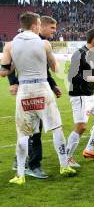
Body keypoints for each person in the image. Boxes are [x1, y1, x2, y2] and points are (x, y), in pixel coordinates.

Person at [0, 12, 76, 185]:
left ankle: (20, 175)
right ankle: (64, 165)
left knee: (23, 134)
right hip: (42, 88)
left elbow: (4, 72)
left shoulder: (9, 45)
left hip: (24, 91)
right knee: (56, 128)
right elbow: (55, 68)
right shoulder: (44, 44)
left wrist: (15, 65)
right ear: (35, 25)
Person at [8, 16, 62, 179]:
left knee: (32, 129)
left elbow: (44, 70)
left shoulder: (42, 43)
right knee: (33, 130)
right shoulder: (27, 41)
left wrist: (53, 85)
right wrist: (13, 82)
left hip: (39, 87)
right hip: (29, 89)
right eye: (51, 28)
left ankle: (20, 161)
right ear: (41, 27)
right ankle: (33, 165)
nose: (54, 31)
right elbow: (11, 62)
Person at [66, 29, 94, 165]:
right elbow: (72, 76)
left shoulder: (92, 55)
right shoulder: (79, 54)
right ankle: (66, 158)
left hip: (90, 94)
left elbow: (88, 77)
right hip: (79, 95)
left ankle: (89, 150)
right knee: (81, 127)